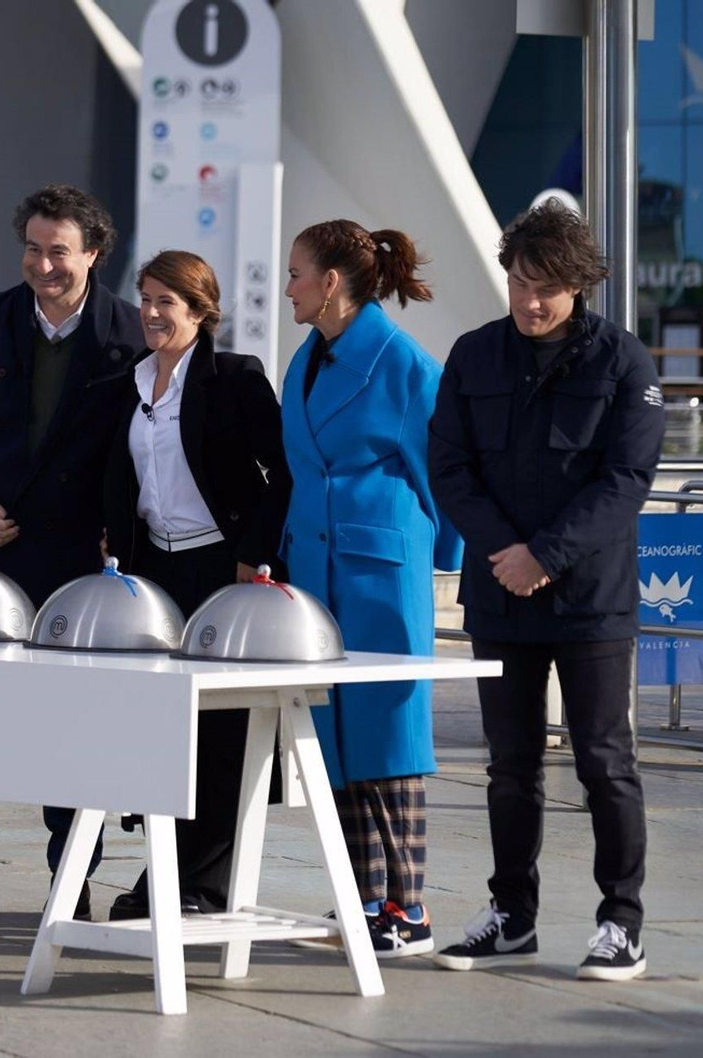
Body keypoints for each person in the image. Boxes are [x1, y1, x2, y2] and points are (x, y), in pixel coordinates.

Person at [428, 199, 663, 981]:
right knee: (509, 764)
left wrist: (547, 556)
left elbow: (626, 480)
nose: (530, 302)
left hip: (590, 599)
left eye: (547, 288)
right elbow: (450, 468)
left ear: (579, 285)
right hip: (501, 592)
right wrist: (505, 552)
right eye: (520, 283)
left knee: (603, 759)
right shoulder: (473, 356)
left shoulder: (622, 362)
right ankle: (510, 916)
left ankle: (620, 922)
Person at [0, 184, 143, 920]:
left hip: (79, 561)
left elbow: (143, 449)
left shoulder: (130, 333)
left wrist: (120, 525)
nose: (44, 265)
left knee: (70, 719)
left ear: (94, 254)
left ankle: (70, 876)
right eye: (34, 249)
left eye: (60, 252)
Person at [278, 219, 460, 959]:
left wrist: (438, 558)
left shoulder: (403, 362)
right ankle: (362, 900)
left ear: (330, 283)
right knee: (339, 737)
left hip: (380, 568)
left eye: (295, 273)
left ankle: (408, 908)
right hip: (317, 571)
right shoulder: (310, 358)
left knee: (390, 728)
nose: (286, 285)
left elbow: (440, 471)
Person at [100, 250, 290, 919]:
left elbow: (280, 474)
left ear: (201, 312)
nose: (151, 313)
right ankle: (163, 873)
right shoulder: (129, 380)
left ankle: (202, 886)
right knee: (164, 732)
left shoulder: (237, 379)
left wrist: (254, 553)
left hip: (223, 568)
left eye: (167, 303)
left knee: (224, 735)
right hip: (154, 571)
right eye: (146, 299)